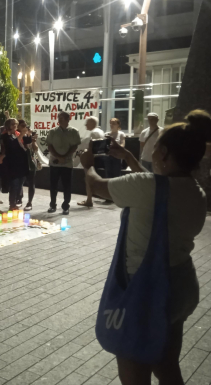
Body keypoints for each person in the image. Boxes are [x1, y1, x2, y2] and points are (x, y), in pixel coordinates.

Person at [80, 110, 211, 385]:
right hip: (180, 286)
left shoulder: (146, 187)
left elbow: (96, 184)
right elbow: (156, 192)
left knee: (135, 374)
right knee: (166, 366)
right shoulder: (196, 192)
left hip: (145, 291)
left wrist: (88, 164)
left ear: (162, 152)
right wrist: (128, 157)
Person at [46, 111, 81, 215]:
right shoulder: (52, 131)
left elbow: (74, 146)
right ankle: (52, 205)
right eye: (58, 118)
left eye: (62, 118)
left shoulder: (74, 131)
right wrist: (58, 156)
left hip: (67, 163)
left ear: (67, 119)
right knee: (53, 185)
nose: (59, 120)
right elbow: (49, 146)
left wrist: (64, 157)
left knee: (67, 185)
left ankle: (66, 206)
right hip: (54, 162)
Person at [2, 119, 32, 212]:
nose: (15, 125)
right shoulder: (5, 135)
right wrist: (22, 134)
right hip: (13, 164)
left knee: (20, 185)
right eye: (13, 124)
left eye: (16, 124)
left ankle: (16, 202)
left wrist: (29, 135)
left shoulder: (17, 133)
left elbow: (26, 142)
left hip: (21, 164)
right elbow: (13, 145)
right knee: (14, 185)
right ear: (8, 125)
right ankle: (12, 204)